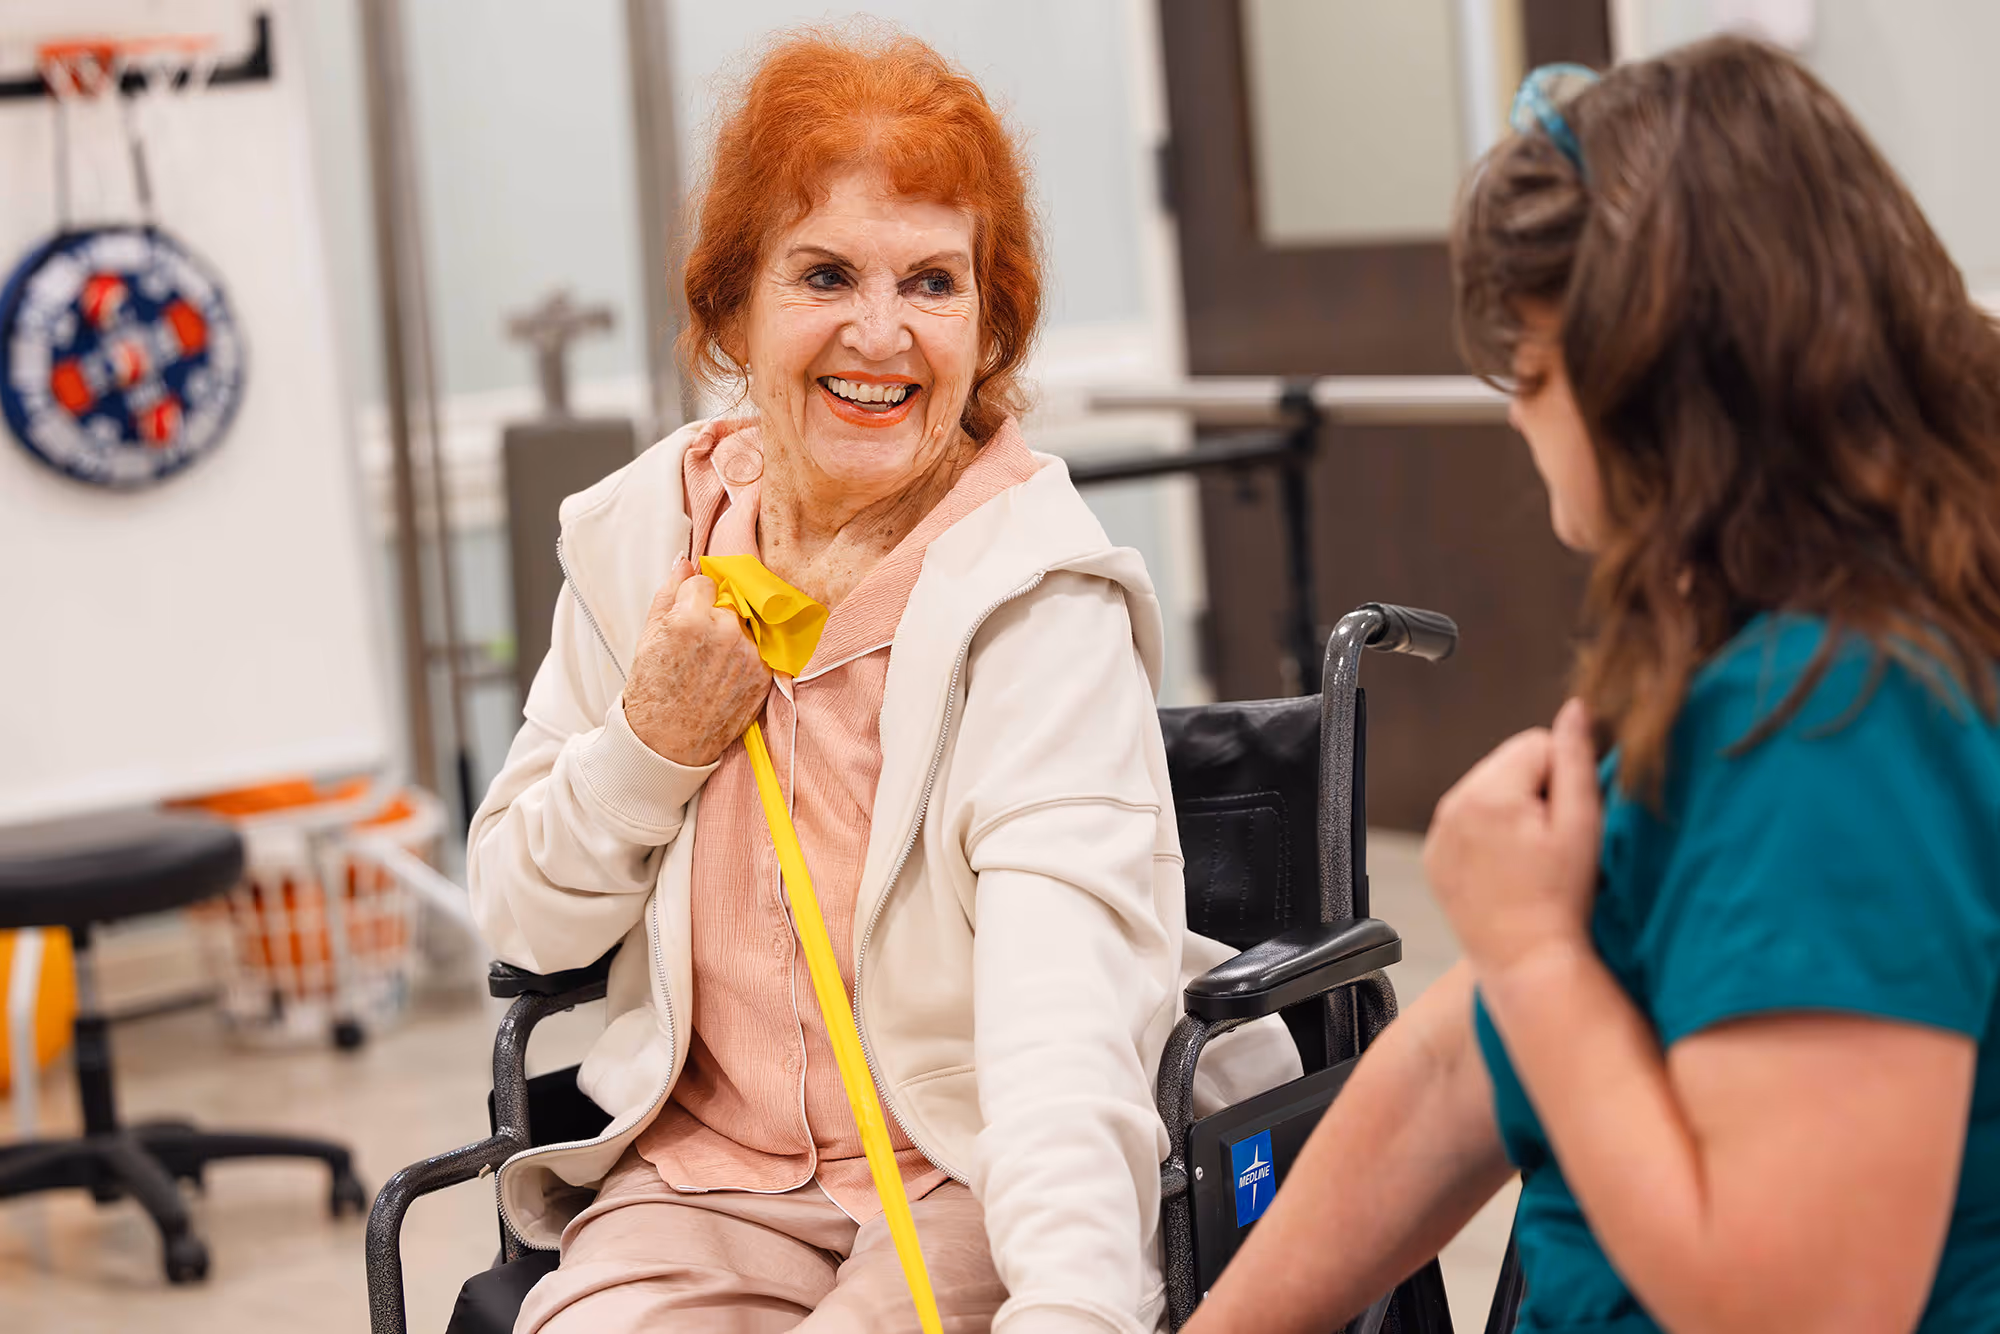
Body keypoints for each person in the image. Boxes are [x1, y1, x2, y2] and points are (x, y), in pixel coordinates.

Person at [466, 26, 1296, 1334]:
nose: (880, 331)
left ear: (989, 323)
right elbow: (522, 923)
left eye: (932, 281)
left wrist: (1074, 1300)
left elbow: (1059, 1008)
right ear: (734, 307)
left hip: (964, 1167)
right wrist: (652, 742)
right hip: (699, 1181)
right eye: (825, 273)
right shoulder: (641, 545)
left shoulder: (1038, 598)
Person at [1186, 36, 2000, 1334]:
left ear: (1660, 377)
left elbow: (1812, 1305)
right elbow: (1462, 1062)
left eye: (1539, 364)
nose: (1515, 408)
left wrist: (1536, 947)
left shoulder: (1839, 717)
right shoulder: (1752, 648)